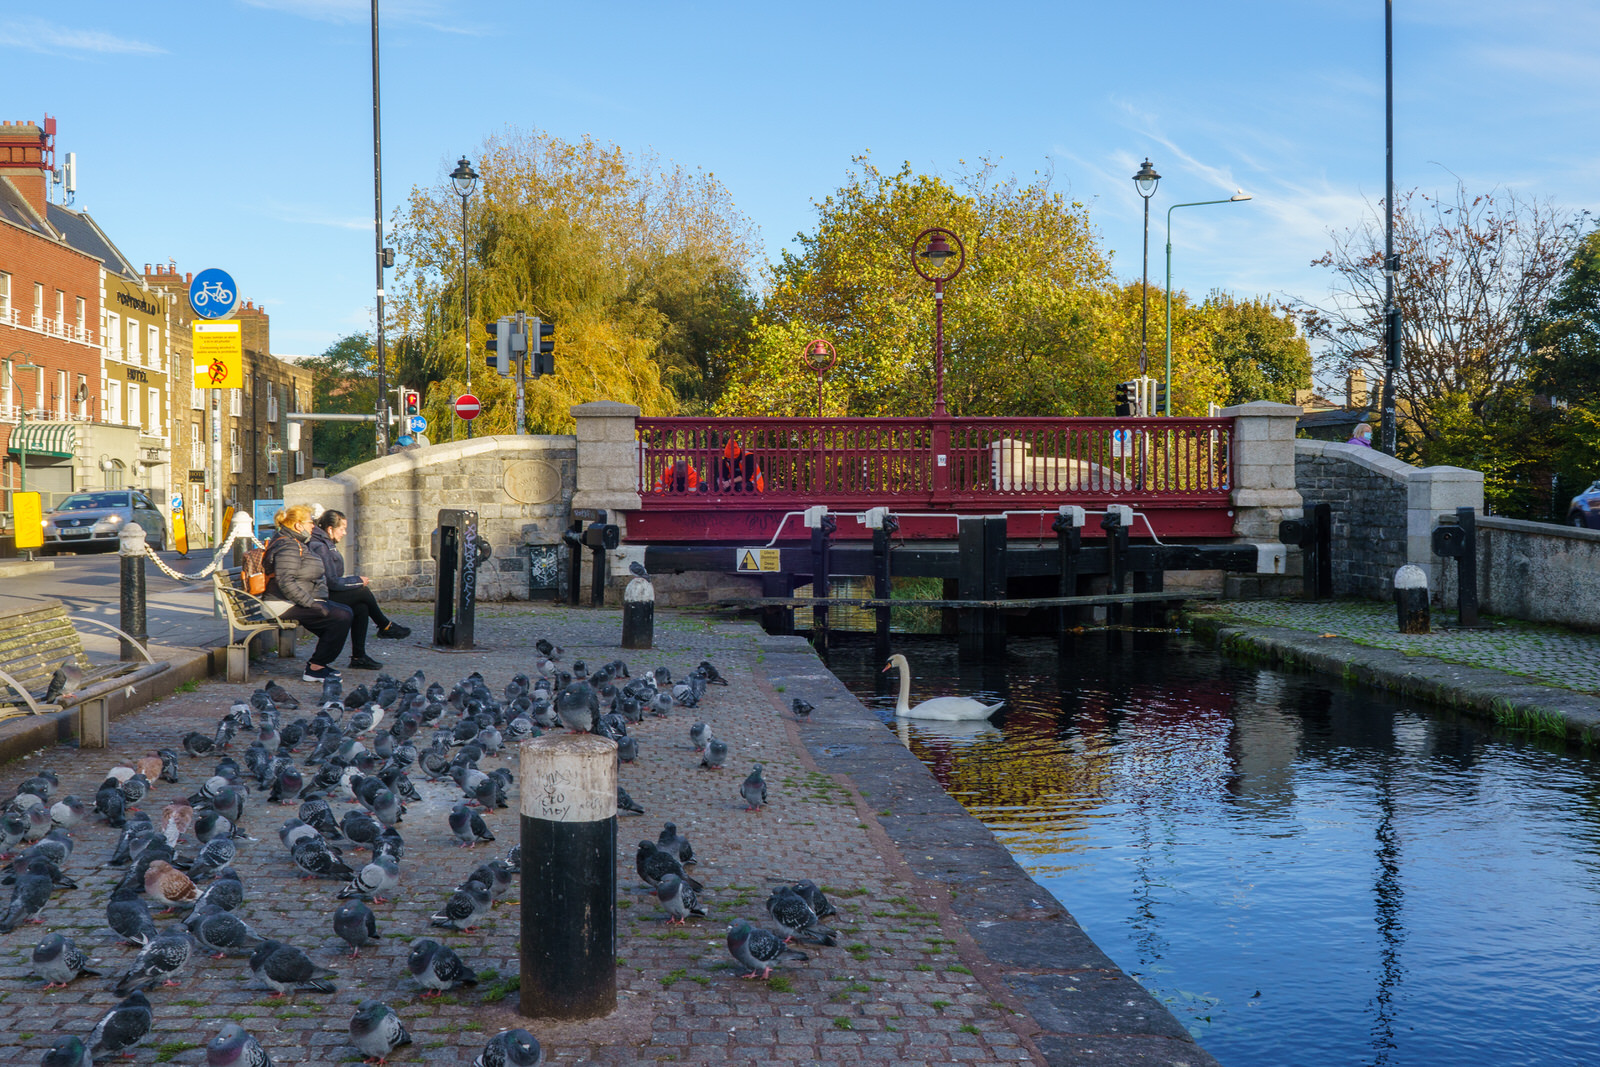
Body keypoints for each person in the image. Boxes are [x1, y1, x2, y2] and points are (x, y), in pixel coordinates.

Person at [263, 504, 353, 683]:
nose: (313, 526)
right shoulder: (287, 545)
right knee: (340, 616)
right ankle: (316, 667)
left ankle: (319, 663)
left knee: (345, 612)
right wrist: (312, 603)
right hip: (280, 604)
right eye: (310, 522)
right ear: (298, 525)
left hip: (294, 601)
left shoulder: (296, 542)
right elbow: (285, 581)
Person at [311, 510, 410, 671]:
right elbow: (331, 582)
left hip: (324, 590)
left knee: (361, 607)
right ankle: (385, 626)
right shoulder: (321, 547)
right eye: (342, 528)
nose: (345, 532)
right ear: (330, 529)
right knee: (362, 592)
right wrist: (357, 581)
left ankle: (359, 656)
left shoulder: (325, 543)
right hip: (319, 594)